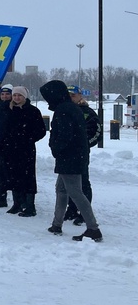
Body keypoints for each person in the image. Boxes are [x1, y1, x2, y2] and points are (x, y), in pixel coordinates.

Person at [40, 80, 102, 241]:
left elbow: (64, 135)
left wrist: (55, 147)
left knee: (75, 191)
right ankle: (57, 224)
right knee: (61, 189)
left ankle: (93, 228)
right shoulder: (68, 108)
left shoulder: (65, 110)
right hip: (73, 156)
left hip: (70, 157)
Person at [0, 86, 46, 216]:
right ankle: (17, 203)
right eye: (15, 96)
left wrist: (28, 139)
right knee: (13, 176)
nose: (17, 98)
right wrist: (2, 145)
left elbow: (41, 130)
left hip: (26, 149)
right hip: (10, 149)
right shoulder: (9, 110)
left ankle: (30, 205)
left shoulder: (32, 111)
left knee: (28, 176)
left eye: (19, 96)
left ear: (25, 97)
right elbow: (4, 129)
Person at [64, 85, 101, 225]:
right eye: (69, 96)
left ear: (80, 96)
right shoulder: (65, 111)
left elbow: (96, 133)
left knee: (83, 183)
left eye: (73, 95)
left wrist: (83, 146)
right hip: (66, 154)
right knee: (68, 183)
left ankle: (84, 212)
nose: (71, 98)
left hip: (81, 154)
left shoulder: (88, 113)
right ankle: (71, 209)